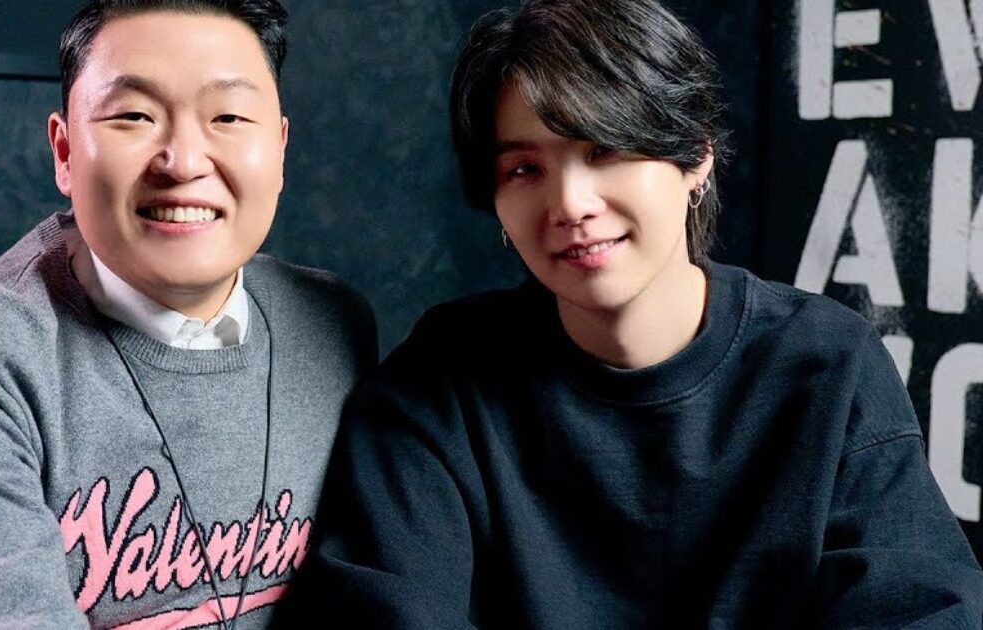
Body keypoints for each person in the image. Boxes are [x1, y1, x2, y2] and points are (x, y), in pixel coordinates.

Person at [280, 0, 983, 626]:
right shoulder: (441, 381)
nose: (570, 204)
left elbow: (921, 608)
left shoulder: (827, 365)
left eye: (606, 150)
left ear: (696, 157)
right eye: (524, 169)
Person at [0, 1, 375, 628]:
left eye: (228, 117)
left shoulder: (333, 325)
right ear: (65, 152)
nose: (183, 162)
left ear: (280, 149)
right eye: (134, 116)